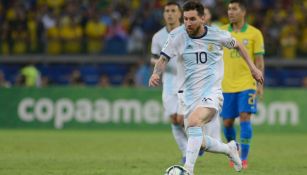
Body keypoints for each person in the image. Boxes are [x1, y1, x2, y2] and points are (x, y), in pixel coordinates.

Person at [149, 1, 264, 174]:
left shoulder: (217, 35)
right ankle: (229, 149)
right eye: (186, 19)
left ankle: (188, 169)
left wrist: (253, 68)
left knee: (195, 123)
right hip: (187, 96)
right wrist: (156, 73)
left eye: (193, 19)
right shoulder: (176, 36)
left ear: (203, 19)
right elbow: (163, 59)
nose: (188, 23)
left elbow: (238, 45)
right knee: (199, 141)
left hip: (212, 93)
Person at [220, 0, 265, 169]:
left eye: (234, 9)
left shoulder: (255, 34)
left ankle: (243, 159)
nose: (230, 12)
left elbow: (259, 61)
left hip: (247, 84)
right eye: (229, 9)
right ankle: (233, 152)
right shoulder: (221, 32)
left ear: (243, 11)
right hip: (225, 85)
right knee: (227, 123)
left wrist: (260, 83)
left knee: (245, 117)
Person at [150, 2, 188, 163]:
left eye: (173, 11)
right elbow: (153, 57)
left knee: (181, 119)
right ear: (164, 14)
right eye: (167, 11)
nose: (170, 14)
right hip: (169, 80)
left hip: (186, 80)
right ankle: (186, 153)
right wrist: (159, 66)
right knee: (173, 119)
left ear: (180, 14)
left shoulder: (187, 32)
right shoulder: (158, 37)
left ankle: (196, 144)